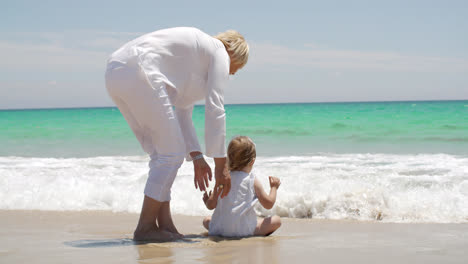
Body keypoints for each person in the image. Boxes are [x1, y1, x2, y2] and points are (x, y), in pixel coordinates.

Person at [104, 27, 249, 241]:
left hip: (116, 72)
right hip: (139, 68)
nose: (234, 73)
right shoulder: (219, 51)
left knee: (162, 154)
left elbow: (183, 114)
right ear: (233, 52)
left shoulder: (194, 61)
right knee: (171, 154)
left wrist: (198, 157)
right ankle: (145, 228)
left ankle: (164, 224)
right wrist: (221, 165)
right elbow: (215, 108)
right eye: (237, 67)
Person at [202, 136, 282, 237]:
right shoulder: (251, 180)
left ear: (228, 159)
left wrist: (207, 201)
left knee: (206, 220)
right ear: (252, 161)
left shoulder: (223, 179)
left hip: (219, 230)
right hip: (244, 231)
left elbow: (211, 206)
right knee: (277, 220)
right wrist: (274, 188)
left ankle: (222, 228)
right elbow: (268, 204)